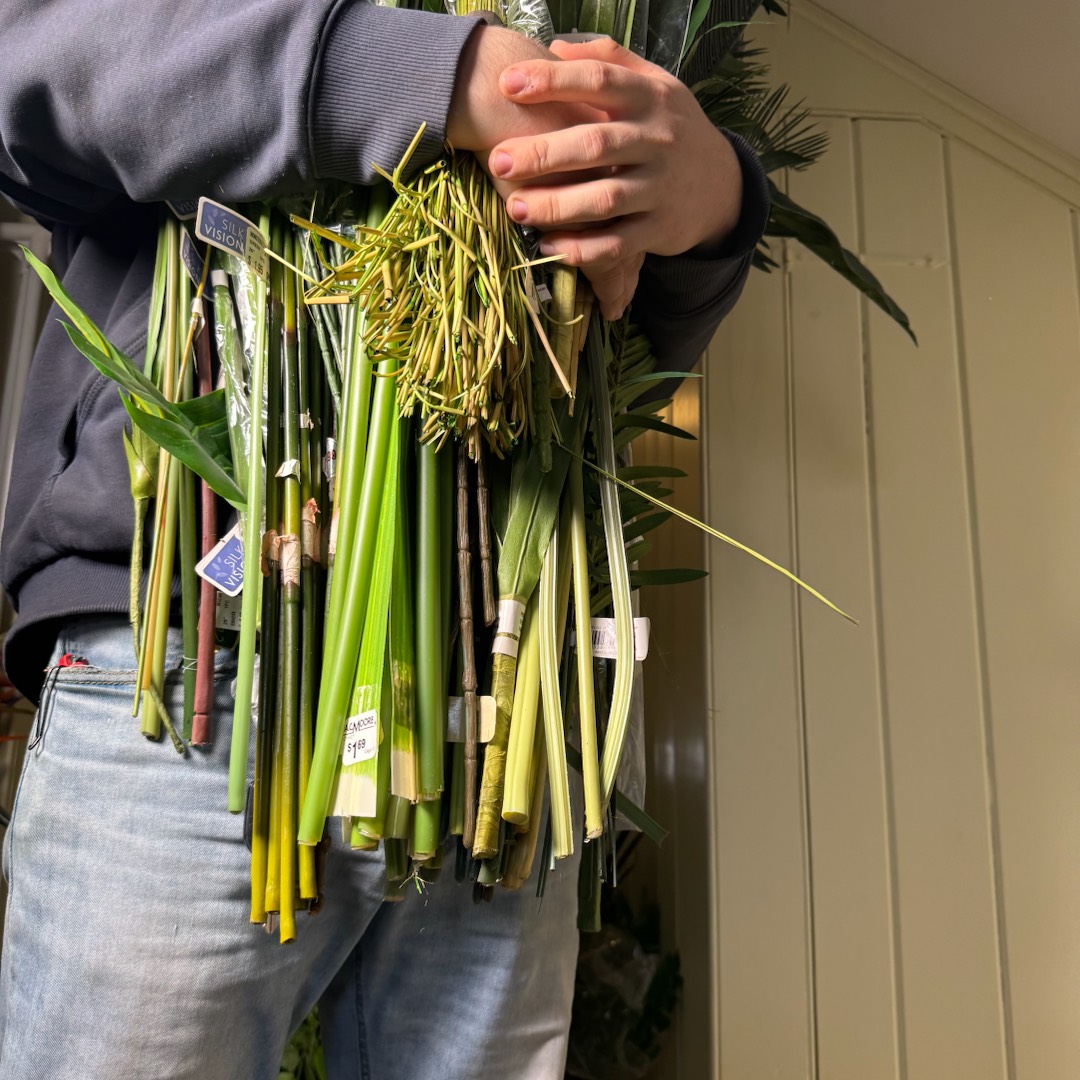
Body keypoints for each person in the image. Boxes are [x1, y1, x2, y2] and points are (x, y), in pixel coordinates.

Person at [0, 2, 769, 1077]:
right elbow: (36, 63)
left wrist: (713, 203)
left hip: (508, 688)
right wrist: (442, 76)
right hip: (198, 648)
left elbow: (620, 339)